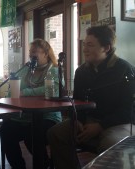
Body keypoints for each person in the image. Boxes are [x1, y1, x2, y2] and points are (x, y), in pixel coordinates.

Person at [47, 25, 135, 169]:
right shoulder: (81, 71)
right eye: (84, 45)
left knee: (112, 143)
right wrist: (78, 120)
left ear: (106, 48)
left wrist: (100, 126)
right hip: (89, 121)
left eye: (90, 45)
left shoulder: (126, 70)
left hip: (119, 123)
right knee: (56, 133)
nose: (84, 49)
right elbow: (78, 102)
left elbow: (127, 111)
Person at [0, 38, 62, 169]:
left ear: (45, 53)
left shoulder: (54, 70)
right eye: (30, 52)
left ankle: (44, 163)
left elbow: (53, 91)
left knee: (32, 134)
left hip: (48, 117)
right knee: (6, 130)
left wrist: (26, 92)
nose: (31, 55)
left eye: (35, 52)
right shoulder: (25, 70)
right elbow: (14, 90)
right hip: (25, 117)